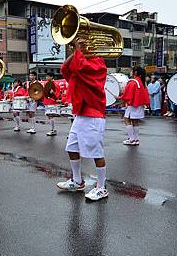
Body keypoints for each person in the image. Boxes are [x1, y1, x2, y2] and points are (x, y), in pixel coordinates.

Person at [56, 40, 109, 201]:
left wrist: (79, 49)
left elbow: (80, 68)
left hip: (93, 114)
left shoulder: (98, 63)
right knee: (71, 148)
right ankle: (77, 181)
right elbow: (65, 70)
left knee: (96, 153)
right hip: (80, 114)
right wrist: (74, 50)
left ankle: (101, 187)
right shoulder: (80, 58)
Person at [119, 67, 150, 145]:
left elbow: (127, 94)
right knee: (135, 122)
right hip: (139, 104)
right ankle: (136, 139)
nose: (131, 72)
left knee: (127, 120)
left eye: (132, 71)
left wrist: (120, 98)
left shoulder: (133, 82)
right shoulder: (143, 83)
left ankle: (132, 139)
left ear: (135, 72)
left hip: (133, 104)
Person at [43, 72, 59, 136]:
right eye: (46, 76)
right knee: (49, 116)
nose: (46, 78)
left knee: (51, 115)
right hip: (46, 101)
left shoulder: (55, 84)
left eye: (48, 76)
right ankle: (52, 129)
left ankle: (53, 130)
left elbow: (57, 94)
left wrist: (53, 93)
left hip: (52, 102)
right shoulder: (46, 84)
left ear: (52, 77)